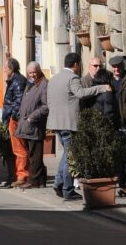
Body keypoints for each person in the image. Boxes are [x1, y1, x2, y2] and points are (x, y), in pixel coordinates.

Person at [47, 52, 110, 201]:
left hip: (56, 122)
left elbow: (49, 100)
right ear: (76, 64)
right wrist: (102, 88)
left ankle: (58, 182)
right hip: (68, 123)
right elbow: (80, 93)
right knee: (72, 157)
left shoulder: (54, 79)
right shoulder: (72, 77)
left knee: (67, 154)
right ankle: (67, 190)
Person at [14, 62, 49, 188]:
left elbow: (45, 106)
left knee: (35, 155)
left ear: (39, 71)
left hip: (35, 125)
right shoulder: (30, 84)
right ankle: (40, 180)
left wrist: (31, 117)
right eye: (30, 73)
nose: (32, 75)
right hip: (26, 125)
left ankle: (34, 181)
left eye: (34, 72)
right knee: (31, 154)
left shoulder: (44, 84)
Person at [1, 57, 28, 186]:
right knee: (15, 148)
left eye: (6, 67)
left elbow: (18, 100)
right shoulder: (14, 80)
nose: (4, 69)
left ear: (12, 68)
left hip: (14, 118)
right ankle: (17, 174)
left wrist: (13, 117)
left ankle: (22, 175)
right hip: (11, 117)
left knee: (19, 148)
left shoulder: (18, 81)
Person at [83, 55, 118, 124]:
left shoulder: (106, 83)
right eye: (95, 66)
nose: (98, 68)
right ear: (89, 67)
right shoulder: (83, 82)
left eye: (100, 66)